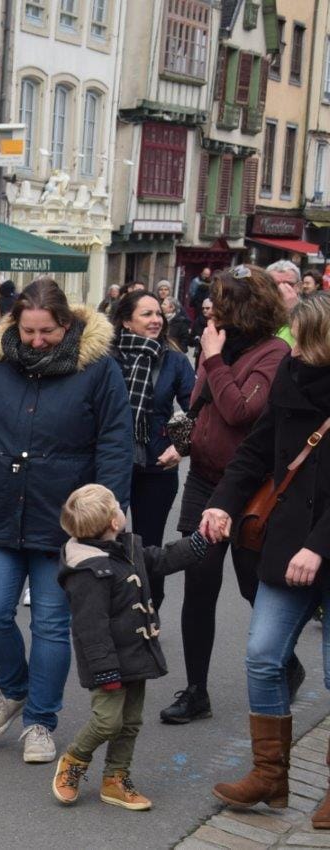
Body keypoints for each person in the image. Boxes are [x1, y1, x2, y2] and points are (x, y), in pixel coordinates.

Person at [0, 277, 133, 764]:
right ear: (14, 324)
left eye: (47, 332)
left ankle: (40, 720)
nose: (36, 341)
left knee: (51, 625)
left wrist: (109, 506)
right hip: (0, 508)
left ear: (67, 325)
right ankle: (14, 688)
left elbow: (115, 441)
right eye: (28, 331)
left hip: (65, 520)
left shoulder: (98, 369)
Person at [205, 293, 330, 822]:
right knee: (262, 653)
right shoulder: (291, 375)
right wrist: (222, 503)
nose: (291, 348)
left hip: (320, 544)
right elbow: (256, 449)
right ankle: (269, 776)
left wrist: (318, 546)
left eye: (300, 339)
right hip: (288, 542)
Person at [160, 264, 291, 725]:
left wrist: (214, 360)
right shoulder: (216, 343)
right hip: (204, 480)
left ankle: (288, 661)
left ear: (245, 307)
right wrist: (184, 445)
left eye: (220, 300)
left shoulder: (273, 353)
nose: (210, 307)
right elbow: (203, 406)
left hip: (250, 487)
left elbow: (240, 411)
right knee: (199, 583)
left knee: (252, 583)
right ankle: (196, 691)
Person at [51, 484, 208, 810]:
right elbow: (91, 629)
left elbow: (161, 559)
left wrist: (197, 543)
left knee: (131, 721)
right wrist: (105, 671)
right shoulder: (88, 570)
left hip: (135, 652)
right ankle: (75, 759)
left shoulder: (126, 547)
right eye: (116, 506)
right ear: (113, 522)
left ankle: (115, 778)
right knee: (108, 722)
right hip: (106, 663)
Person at [109, 291, 196, 613]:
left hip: (157, 466)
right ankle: (112, 610)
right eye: (146, 314)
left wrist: (182, 446)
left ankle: (149, 610)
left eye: (158, 313)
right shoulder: (106, 357)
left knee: (149, 546)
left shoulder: (174, 361)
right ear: (126, 321)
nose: (156, 320)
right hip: (110, 464)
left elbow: (199, 409)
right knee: (106, 542)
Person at [268, 260, 301, 347]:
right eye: (275, 284)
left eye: (289, 284)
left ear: (298, 287)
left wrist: (294, 310)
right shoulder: (256, 309)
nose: (281, 289)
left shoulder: (312, 311)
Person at [190, 297, 214, 365]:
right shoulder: (198, 321)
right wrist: (196, 339)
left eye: (207, 308)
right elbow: (190, 340)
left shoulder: (219, 322)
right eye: (203, 308)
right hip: (200, 355)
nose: (204, 310)